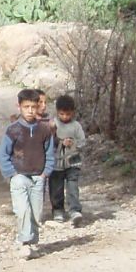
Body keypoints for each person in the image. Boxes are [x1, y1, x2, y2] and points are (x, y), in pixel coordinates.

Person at [0, 88, 56, 259]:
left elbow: (49, 153)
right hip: (19, 176)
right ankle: (24, 242)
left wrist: (45, 173)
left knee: (36, 213)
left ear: (38, 106)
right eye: (26, 107)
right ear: (19, 107)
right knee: (23, 210)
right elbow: (2, 154)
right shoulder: (13, 130)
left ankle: (33, 242)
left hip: (38, 177)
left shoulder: (44, 130)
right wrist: (12, 174)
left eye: (33, 107)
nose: (30, 111)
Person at [49, 95, 86, 224]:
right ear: (57, 111)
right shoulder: (52, 124)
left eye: (68, 114)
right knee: (56, 188)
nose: (65, 117)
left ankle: (75, 210)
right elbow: (48, 141)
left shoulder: (76, 126)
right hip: (56, 163)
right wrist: (60, 143)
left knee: (73, 187)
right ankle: (58, 210)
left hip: (73, 162)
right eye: (62, 114)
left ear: (73, 112)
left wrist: (73, 143)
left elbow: (82, 142)